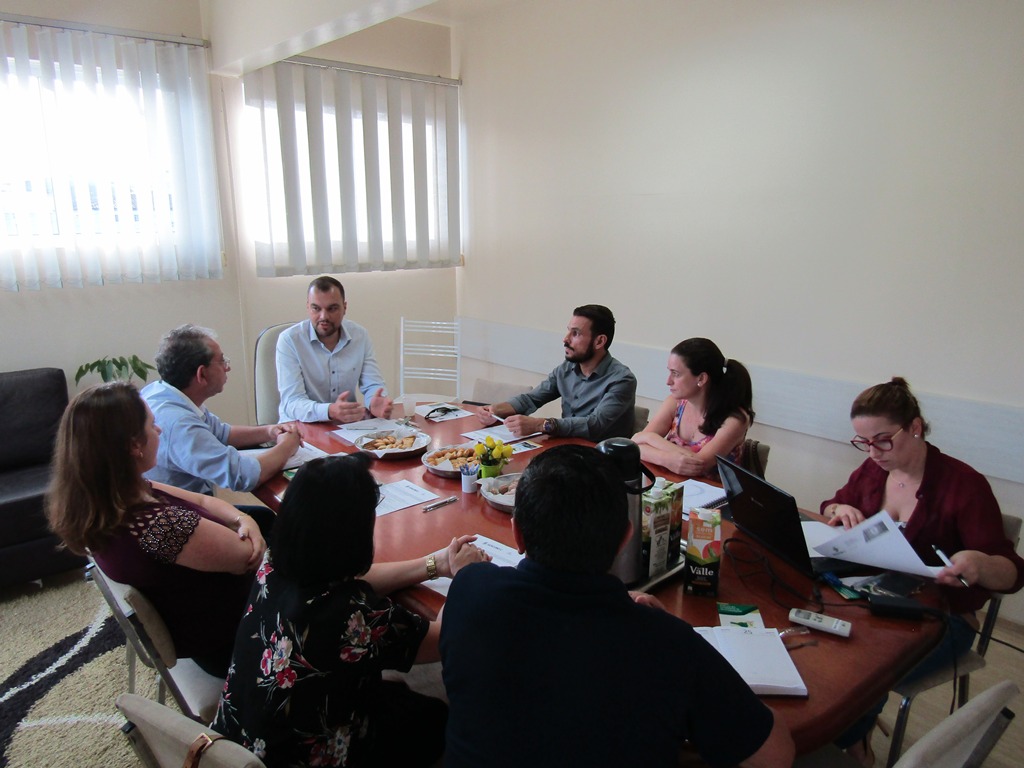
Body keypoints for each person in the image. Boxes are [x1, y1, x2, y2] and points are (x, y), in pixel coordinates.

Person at [439, 444, 794, 768]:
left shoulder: (470, 589)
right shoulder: (668, 643)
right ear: (626, 536)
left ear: (517, 533)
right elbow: (775, 755)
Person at [212, 453, 489, 768]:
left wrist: (433, 565)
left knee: (395, 695)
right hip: (311, 756)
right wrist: (466, 576)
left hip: (235, 747)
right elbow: (442, 639)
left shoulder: (274, 563)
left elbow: (352, 581)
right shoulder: (352, 617)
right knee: (435, 717)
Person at [822, 377, 1024, 766]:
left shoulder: (964, 485)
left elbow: (1013, 573)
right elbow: (832, 503)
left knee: (860, 667)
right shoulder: (874, 470)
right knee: (825, 642)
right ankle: (845, 734)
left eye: (883, 440)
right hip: (877, 600)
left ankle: (850, 744)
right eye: (864, 442)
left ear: (914, 427)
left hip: (942, 619)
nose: (873, 452)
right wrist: (838, 510)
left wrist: (979, 564)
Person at [46, 382, 266, 676]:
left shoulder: (111, 497)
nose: (159, 430)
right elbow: (248, 558)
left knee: (265, 518)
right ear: (134, 446)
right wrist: (248, 527)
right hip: (235, 638)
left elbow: (202, 500)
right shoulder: (158, 526)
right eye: (152, 425)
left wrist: (242, 519)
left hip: (196, 621)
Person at [142, 324, 302, 495]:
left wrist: (270, 431)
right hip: (184, 510)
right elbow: (242, 476)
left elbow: (221, 433)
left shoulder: (162, 391)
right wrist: (287, 446)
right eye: (222, 361)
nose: (227, 367)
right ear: (202, 374)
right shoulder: (179, 424)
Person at [476, 305, 637, 441]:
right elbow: (532, 399)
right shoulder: (566, 368)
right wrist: (496, 410)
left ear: (599, 341)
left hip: (601, 458)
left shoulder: (622, 379)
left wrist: (540, 425)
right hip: (566, 448)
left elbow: (595, 425)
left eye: (576, 333)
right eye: (568, 331)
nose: (565, 339)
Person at [277, 275, 394, 423]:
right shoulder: (289, 340)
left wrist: (374, 402)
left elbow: (373, 384)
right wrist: (329, 410)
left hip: (346, 427)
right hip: (299, 426)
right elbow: (292, 402)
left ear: (344, 308)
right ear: (308, 307)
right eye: (316, 308)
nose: (323, 316)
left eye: (332, 309)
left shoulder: (360, 336)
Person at [631, 338, 754, 477]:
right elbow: (636, 447)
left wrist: (650, 438)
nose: (668, 381)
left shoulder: (735, 419)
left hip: (711, 489)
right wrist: (666, 459)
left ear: (701, 379)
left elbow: (698, 465)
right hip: (672, 484)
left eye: (676, 374)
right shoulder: (675, 402)